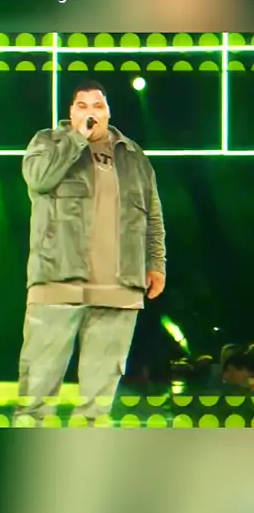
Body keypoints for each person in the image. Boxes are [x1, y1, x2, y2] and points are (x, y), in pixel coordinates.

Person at [15, 79, 166, 425]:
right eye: (82, 106)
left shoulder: (134, 156)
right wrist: (75, 140)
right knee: (37, 390)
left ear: (108, 111)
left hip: (119, 287)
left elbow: (153, 215)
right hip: (57, 280)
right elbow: (38, 179)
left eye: (97, 106)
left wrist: (156, 263)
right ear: (71, 112)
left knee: (97, 405)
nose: (90, 112)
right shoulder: (47, 143)